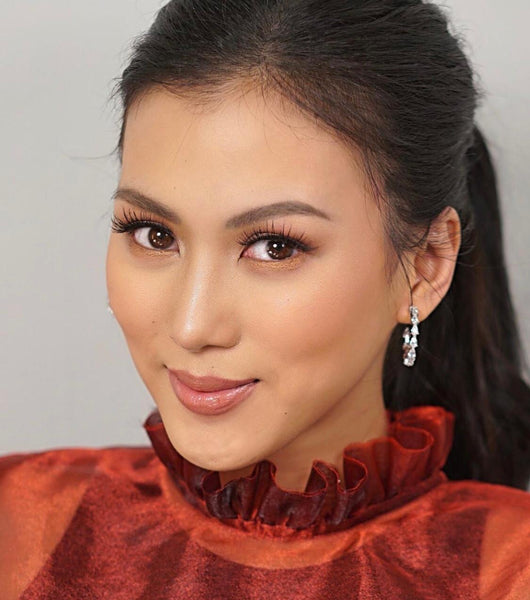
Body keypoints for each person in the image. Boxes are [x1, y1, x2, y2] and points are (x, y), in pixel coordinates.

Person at [1, 0, 529, 598]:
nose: (192, 325)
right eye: (154, 235)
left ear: (426, 264)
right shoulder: (18, 526)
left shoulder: (511, 573)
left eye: (275, 247)